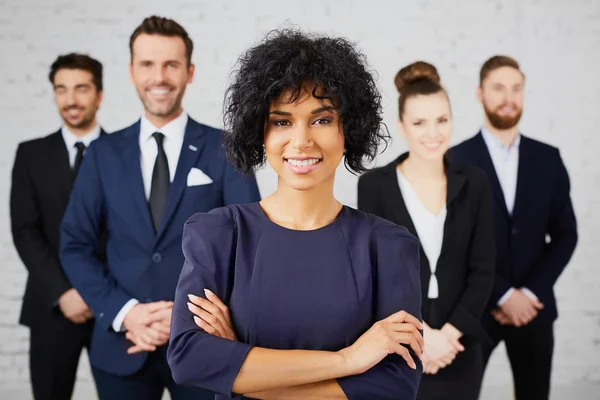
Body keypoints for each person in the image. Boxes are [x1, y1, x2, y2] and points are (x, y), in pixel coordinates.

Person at [166, 29, 424, 400]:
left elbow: (394, 384)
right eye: (282, 121)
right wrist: (348, 360)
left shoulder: (387, 246)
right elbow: (189, 359)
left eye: (321, 119)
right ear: (260, 131)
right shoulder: (220, 235)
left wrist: (243, 368)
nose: (301, 140)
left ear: (348, 129)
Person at [59, 16, 261, 400]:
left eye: (171, 65)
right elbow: (74, 244)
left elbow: (248, 244)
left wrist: (185, 318)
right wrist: (127, 313)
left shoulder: (226, 149)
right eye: (148, 64)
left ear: (190, 72)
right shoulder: (103, 154)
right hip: (122, 343)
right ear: (132, 72)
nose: (160, 77)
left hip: (204, 344)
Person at [357, 61, 495, 399]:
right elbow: (376, 273)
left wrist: (447, 336)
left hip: (457, 346)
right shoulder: (375, 185)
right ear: (402, 125)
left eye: (442, 121)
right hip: (398, 347)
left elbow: (484, 270)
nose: (433, 134)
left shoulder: (474, 182)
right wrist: (423, 336)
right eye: (420, 122)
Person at [451, 55, 578, 400]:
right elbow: (453, 245)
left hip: (534, 311)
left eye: (516, 89)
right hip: (475, 309)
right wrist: (503, 294)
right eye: (498, 88)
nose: (508, 97)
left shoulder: (548, 158)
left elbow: (566, 233)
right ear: (480, 93)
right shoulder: (455, 161)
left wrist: (529, 294)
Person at [10, 53, 105, 400]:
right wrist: (64, 291)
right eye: (61, 89)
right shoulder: (31, 155)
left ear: (99, 95)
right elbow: (25, 230)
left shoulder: (122, 152)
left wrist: (96, 293)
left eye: (81, 88)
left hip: (111, 306)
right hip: (51, 305)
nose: (70, 99)